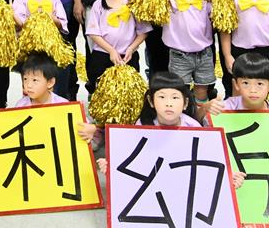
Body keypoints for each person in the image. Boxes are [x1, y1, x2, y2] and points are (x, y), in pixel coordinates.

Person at [94, 71, 246, 190]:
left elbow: (206, 157)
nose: (168, 103)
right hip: (154, 179)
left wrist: (228, 175)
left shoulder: (192, 127)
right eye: (161, 97)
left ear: (185, 103)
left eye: (175, 98)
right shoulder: (143, 125)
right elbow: (135, 156)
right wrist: (114, 166)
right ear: (151, 101)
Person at [84, 0, 150, 95]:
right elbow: (93, 33)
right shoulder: (98, 4)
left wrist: (131, 48)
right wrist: (111, 50)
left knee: (127, 91)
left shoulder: (133, 3)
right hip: (102, 55)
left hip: (128, 56)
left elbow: (143, 31)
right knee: (102, 91)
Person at [161, 0, 216, 104]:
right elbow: (155, 9)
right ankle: (184, 115)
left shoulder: (204, 0)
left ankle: (200, 114)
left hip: (204, 53)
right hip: (179, 55)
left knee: (202, 89)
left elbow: (218, 15)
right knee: (179, 90)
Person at [207, 53, 269, 117]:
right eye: (246, 83)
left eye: (259, 84)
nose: (253, 90)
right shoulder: (225, 108)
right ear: (236, 84)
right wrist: (206, 108)